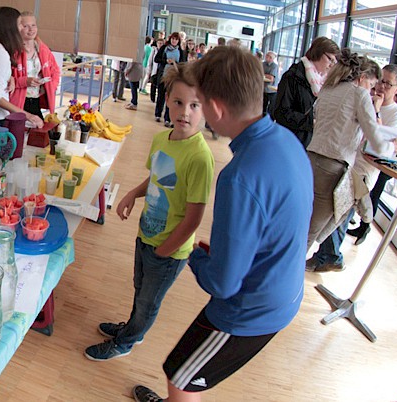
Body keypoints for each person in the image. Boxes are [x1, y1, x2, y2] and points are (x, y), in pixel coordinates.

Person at [131, 46, 313, 402]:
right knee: (183, 372)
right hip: (281, 286)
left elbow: (223, 283)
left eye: (199, 102)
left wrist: (195, 257)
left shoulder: (239, 177)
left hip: (252, 308)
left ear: (214, 108)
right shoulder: (286, 142)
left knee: (181, 377)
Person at [85, 63, 214, 362]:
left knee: (149, 300)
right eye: (179, 102)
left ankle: (128, 341)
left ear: (205, 108)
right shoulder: (161, 140)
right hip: (146, 235)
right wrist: (132, 193)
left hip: (169, 249)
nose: (185, 112)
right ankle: (132, 327)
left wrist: (166, 251)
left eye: (194, 105)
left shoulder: (200, 157)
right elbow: (156, 178)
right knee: (140, 289)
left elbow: (195, 217)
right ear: (167, 100)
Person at [305, 51, 397, 273]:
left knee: (302, 225)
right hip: (333, 169)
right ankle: (280, 285)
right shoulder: (359, 95)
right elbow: (375, 138)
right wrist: (393, 147)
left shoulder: (328, 89)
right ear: (362, 77)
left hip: (311, 161)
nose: (373, 89)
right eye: (372, 83)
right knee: (310, 234)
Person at [347, 72, 397, 245]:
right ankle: (330, 256)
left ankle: (330, 256)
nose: (382, 86)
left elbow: (380, 143)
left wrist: (376, 111)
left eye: (388, 84)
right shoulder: (365, 99)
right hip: (348, 159)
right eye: (380, 81)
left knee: (345, 212)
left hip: (366, 169)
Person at [0, 6, 43, 128]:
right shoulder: (0, 53)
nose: (21, 28)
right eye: (20, 24)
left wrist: (11, 78)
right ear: (10, 27)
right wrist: (28, 115)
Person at [271, 37, 340, 147]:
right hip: (289, 142)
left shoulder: (322, 82)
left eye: (334, 62)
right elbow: (281, 113)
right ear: (317, 53)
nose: (332, 65)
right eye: (330, 59)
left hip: (309, 143)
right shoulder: (293, 76)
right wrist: (310, 122)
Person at [11, 11, 61, 120]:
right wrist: (24, 81)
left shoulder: (42, 49)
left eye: (33, 25)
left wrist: (49, 86)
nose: (31, 29)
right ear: (18, 28)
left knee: (40, 132)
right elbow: (5, 80)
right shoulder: (12, 51)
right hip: (17, 102)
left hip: (35, 100)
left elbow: (55, 72)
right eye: (26, 26)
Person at [154, 32, 184, 125]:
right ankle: (158, 114)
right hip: (163, 75)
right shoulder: (164, 48)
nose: (174, 41)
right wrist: (165, 61)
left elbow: (183, 64)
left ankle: (168, 118)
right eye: (173, 39)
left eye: (176, 39)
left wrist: (175, 63)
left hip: (173, 78)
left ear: (178, 41)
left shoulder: (181, 51)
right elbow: (156, 59)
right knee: (161, 96)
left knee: (170, 98)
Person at [262, 51, 279, 115]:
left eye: (270, 57)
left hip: (271, 89)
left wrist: (264, 74)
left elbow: (271, 79)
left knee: (270, 108)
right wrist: (267, 75)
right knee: (263, 106)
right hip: (263, 89)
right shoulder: (263, 64)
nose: (267, 58)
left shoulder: (274, 66)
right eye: (267, 55)